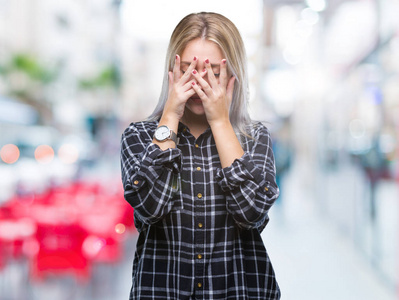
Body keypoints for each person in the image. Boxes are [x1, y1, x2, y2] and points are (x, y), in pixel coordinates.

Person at [120, 12, 280, 300]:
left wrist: (220, 122)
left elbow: (252, 214)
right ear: (171, 71)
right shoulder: (140, 136)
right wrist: (170, 114)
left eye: (213, 73)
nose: (199, 84)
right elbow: (151, 207)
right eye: (187, 71)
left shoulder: (255, 138)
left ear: (233, 75)